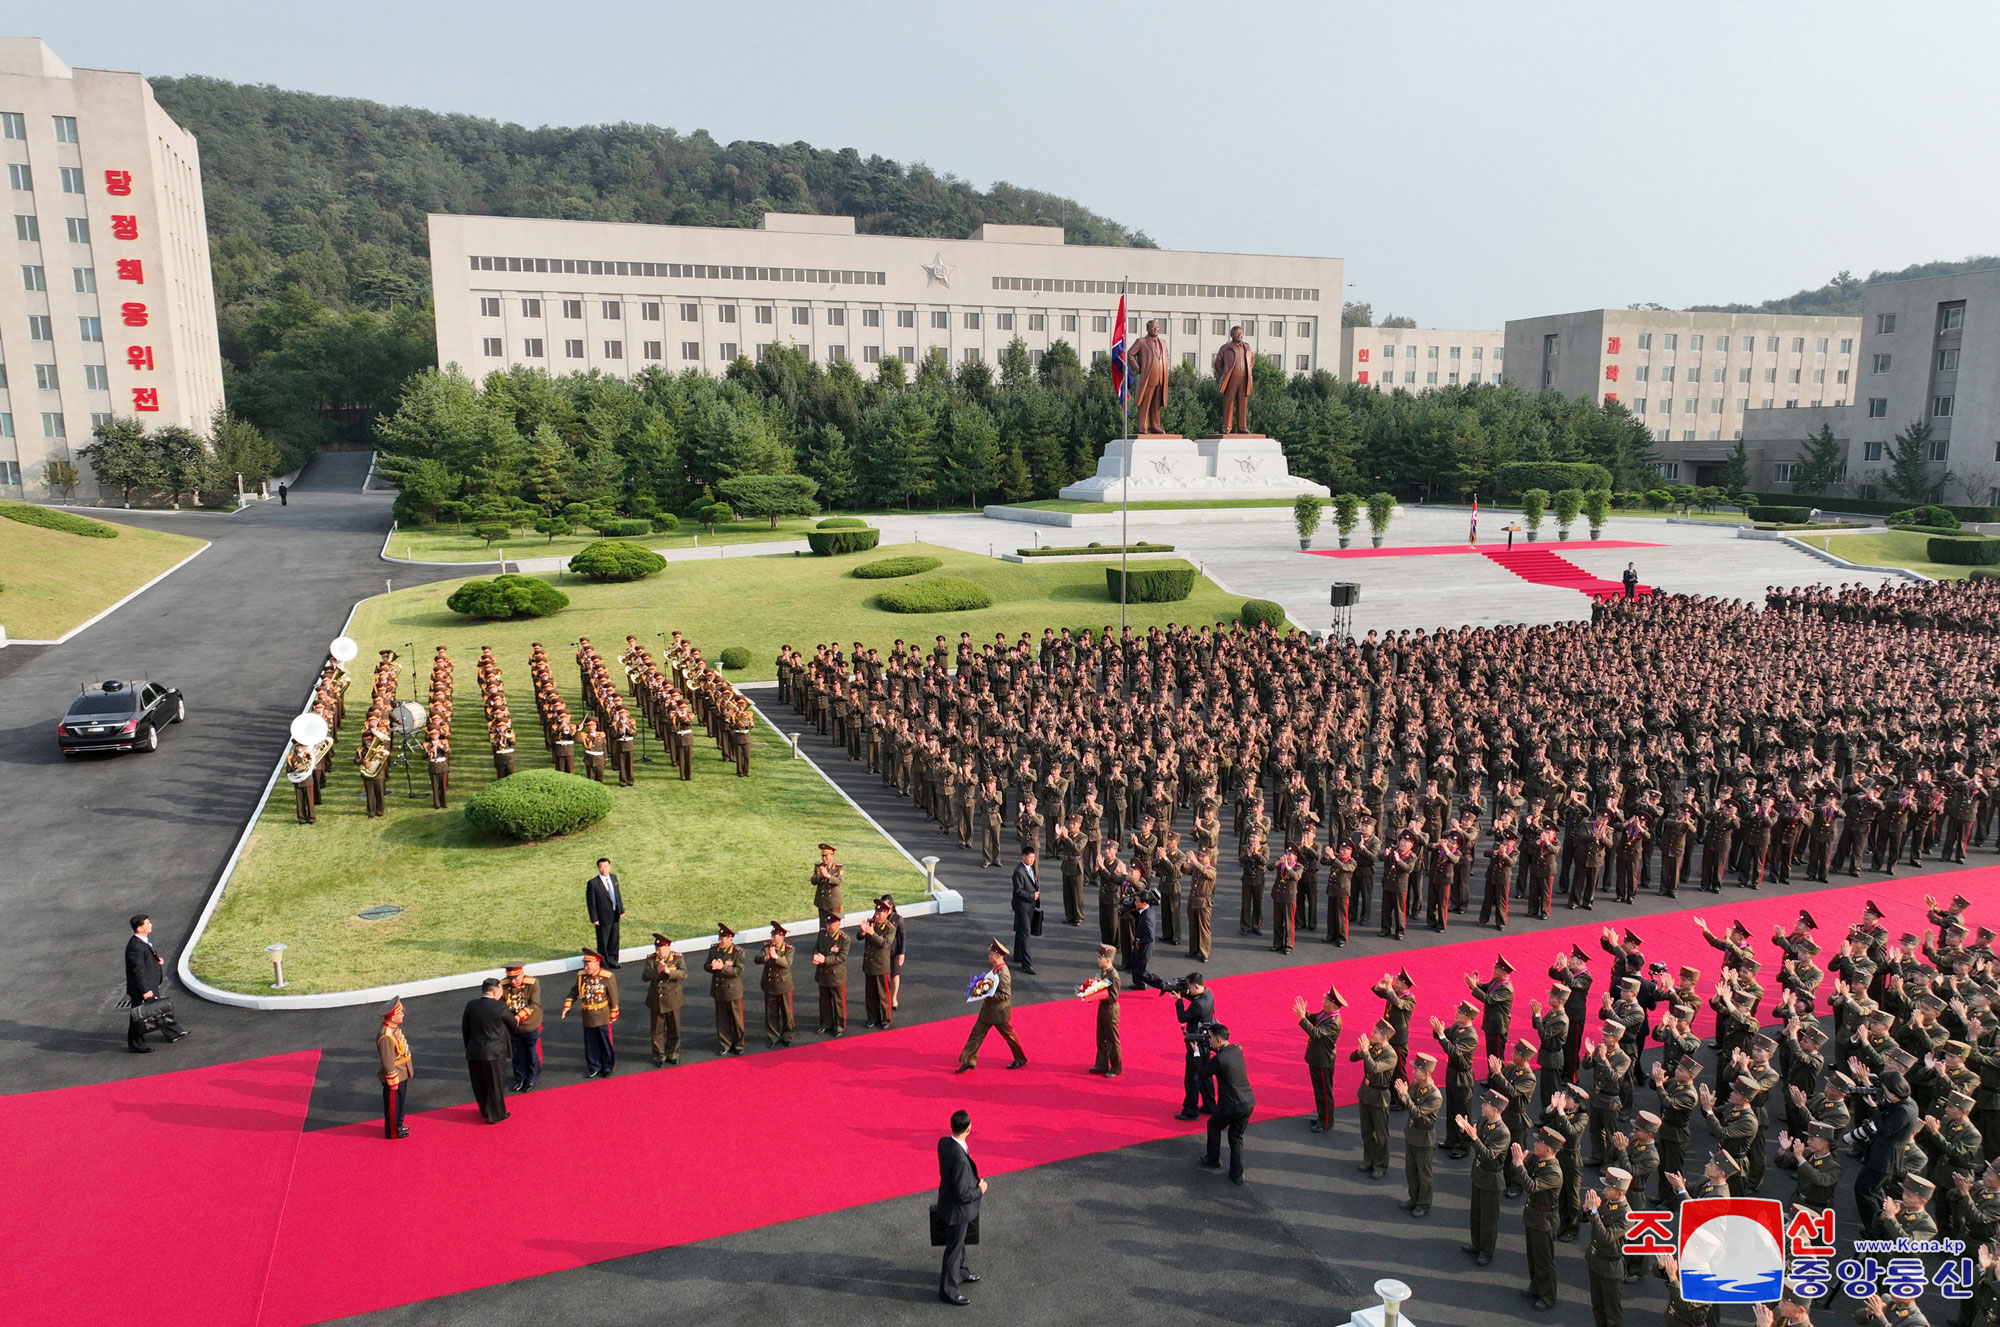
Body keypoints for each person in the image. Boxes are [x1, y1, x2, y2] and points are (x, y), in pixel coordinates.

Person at [936, 1108, 987, 1306]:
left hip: (948, 1203)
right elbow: (964, 1195)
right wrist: (981, 1189)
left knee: (960, 1242)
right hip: (957, 1211)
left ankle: (961, 1271)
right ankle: (947, 1290)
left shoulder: (944, 1143)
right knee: (954, 1248)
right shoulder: (960, 1161)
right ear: (969, 1128)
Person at [956, 939, 1027, 1073]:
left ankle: (1020, 1058)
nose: (989, 956)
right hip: (988, 1012)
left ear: (998, 956)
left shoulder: (1003, 973)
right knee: (976, 1035)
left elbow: (1005, 995)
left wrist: (986, 995)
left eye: (991, 954)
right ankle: (968, 1061)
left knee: (1010, 1037)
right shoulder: (996, 969)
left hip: (999, 1013)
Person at [1197, 1024, 1255, 1184]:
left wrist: (1196, 1052)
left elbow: (1203, 1072)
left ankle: (1213, 1159)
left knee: (1213, 1126)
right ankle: (1237, 1175)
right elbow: (1222, 1053)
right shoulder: (1237, 1049)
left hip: (1230, 1104)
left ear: (1217, 1039)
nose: (1208, 1041)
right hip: (1248, 1102)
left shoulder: (1220, 1060)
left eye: (1210, 1038)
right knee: (1236, 1137)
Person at [124, 914, 188, 1052]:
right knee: (138, 1016)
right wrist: (145, 990)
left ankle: (173, 1032)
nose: (151, 924)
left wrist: (157, 960)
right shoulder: (135, 947)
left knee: (158, 1008)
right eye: (147, 923)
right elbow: (138, 971)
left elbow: (147, 956)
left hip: (150, 984)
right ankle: (136, 1043)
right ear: (140, 928)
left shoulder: (143, 941)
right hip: (142, 987)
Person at [1396, 1051, 1444, 1217]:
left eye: (1417, 1069)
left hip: (1424, 1138)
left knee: (1424, 1174)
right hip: (1412, 1133)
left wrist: (1405, 1097)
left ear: (1426, 1073)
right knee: (1411, 1170)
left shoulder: (1434, 1096)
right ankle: (1414, 1198)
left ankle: (1423, 1203)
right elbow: (1408, 1106)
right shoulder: (1416, 1085)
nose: (1413, 1072)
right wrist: (1403, 1096)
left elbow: (1416, 1112)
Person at [560, 948, 619, 1078]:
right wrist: (567, 1005)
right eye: (585, 964)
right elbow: (574, 991)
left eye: (588, 964)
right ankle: (594, 1066)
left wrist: (614, 1012)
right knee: (591, 1043)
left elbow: (613, 996)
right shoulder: (582, 976)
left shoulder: (607, 977)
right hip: (587, 1014)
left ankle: (608, 1066)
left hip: (602, 1014)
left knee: (605, 1042)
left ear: (597, 964)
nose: (585, 967)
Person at [460, 978, 512, 1124]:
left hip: (474, 1051)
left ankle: (485, 1110)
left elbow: (465, 1028)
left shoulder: (471, 1005)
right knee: (495, 1084)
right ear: (495, 991)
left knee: (479, 1083)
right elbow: (512, 1024)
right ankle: (497, 1114)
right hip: (494, 1052)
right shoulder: (500, 1007)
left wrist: (469, 1047)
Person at [1295, 987, 1346, 1134]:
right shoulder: (1326, 1014)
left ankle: (1326, 1122)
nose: (1323, 1003)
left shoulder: (1334, 1022)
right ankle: (1321, 1116)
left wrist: (1302, 1018)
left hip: (1324, 1060)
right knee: (1318, 1091)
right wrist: (1305, 1013)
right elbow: (1314, 1018)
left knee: (1325, 1092)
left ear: (1333, 1005)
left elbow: (1316, 1033)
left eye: (1326, 1001)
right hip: (1317, 1058)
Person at [1173, 973, 1217, 1121]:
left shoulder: (1198, 1005)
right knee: (1205, 1077)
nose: (1188, 989)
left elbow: (1183, 1017)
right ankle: (1210, 1105)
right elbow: (1195, 997)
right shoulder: (1209, 994)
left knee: (1192, 1078)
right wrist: (1185, 994)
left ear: (1196, 986)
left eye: (1189, 986)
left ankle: (1190, 1110)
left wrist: (1179, 1001)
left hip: (1196, 1045)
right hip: (1205, 1043)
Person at [642, 934, 685, 1065]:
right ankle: (659, 1054)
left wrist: (668, 972)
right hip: (656, 999)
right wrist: (658, 971)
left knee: (674, 1028)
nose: (657, 951)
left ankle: (673, 1052)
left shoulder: (677, 958)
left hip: (672, 999)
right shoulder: (651, 960)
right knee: (657, 1030)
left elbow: (684, 973)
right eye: (656, 948)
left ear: (667, 947)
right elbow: (644, 976)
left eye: (659, 948)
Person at [500, 962, 543, 1090]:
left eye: (515, 978)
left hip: (530, 1023)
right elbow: (502, 1004)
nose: (513, 981)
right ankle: (520, 1078)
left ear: (522, 974)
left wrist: (518, 1017)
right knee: (517, 1054)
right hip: (513, 1026)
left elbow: (534, 1004)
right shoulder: (503, 985)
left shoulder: (532, 983)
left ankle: (532, 1077)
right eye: (510, 978)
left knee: (531, 1052)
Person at [706, 923, 747, 1055]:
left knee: (737, 1019)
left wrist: (722, 968)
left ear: (730, 939)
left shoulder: (738, 952)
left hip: (733, 991)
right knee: (721, 1019)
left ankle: (739, 1044)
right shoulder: (714, 950)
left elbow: (739, 970)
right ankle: (725, 1044)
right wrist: (712, 966)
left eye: (723, 939)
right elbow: (706, 965)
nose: (720, 941)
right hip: (719, 990)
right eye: (720, 937)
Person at [377, 995, 413, 1139]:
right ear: (392, 1017)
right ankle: (393, 1131)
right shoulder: (386, 1035)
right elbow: (387, 1058)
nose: (403, 1015)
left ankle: (398, 1124)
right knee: (393, 1105)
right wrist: (391, 1075)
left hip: (402, 1071)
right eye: (400, 1013)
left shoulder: (393, 1029)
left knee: (400, 1102)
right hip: (395, 1074)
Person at [756, 921, 795, 1048]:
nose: (772, 938)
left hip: (783, 986)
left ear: (782, 937)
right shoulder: (767, 947)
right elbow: (757, 959)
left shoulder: (789, 949)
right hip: (770, 984)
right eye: (772, 935)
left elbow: (787, 963)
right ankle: (773, 1036)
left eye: (774, 936)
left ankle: (787, 1035)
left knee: (786, 1012)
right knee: (771, 1012)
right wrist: (766, 958)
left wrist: (776, 957)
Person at [1213, 325, 1256, 435]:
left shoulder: (1247, 348)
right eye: (1237, 333)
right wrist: (1224, 374)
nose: (1239, 335)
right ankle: (1226, 427)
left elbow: (1252, 362)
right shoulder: (1225, 348)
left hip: (1244, 380)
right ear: (1232, 335)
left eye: (1241, 333)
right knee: (1229, 402)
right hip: (1231, 379)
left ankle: (1242, 427)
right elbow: (1218, 363)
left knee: (1243, 403)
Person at [1087, 944, 1122, 1077]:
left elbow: (1113, 997)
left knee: (1112, 1040)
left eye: (1100, 957)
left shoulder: (1114, 976)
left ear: (1108, 960)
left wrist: (1096, 993)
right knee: (1100, 1038)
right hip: (1103, 1008)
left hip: (1110, 1010)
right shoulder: (1105, 972)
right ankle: (1101, 1064)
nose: (1098, 960)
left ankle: (1116, 1067)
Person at [814, 912, 850, 1036]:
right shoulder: (822, 934)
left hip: (836, 975)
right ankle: (826, 1023)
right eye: (827, 923)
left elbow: (841, 958)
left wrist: (824, 960)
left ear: (838, 924)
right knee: (824, 1001)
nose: (828, 925)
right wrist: (816, 955)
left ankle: (840, 1026)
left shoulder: (844, 939)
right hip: (823, 973)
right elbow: (816, 947)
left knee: (838, 1001)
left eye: (831, 923)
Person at [861, 902, 897, 1029]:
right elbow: (859, 936)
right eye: (876, 912)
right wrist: (863, 930)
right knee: (870, 995)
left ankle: (886, 1019)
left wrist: (872, 933)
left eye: (880, 912)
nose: (876, 915)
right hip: (869, 964)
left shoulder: (890, 928)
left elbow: (885, 943)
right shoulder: (872, 923)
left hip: (881, 966)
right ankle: (873, 1017)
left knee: (883, 995)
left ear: (887, 913)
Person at [585, 858, 623, 968]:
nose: (604, 869)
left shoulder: (613, 878)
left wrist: (621, 910)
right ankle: (603, 962)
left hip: (615, 914)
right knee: (603, 941)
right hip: (602, 917)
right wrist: (594, 918)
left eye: (606, 866)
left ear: (610, 867)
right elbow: (591, 902)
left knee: (614, 939)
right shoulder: (593, 883)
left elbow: (617, 895)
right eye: (601, 867)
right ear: (598, 868)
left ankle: (613, 960)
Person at [1010, 848, 1040, 974]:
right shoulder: (1019, 872)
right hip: (1022, 906)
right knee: (1026, 934)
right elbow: (1018, 891)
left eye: (1033, 858)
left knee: (1020, 930)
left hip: (1029, 906)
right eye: (1029, 858)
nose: (1032, 860)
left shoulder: (1029, 868)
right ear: (1023, 857)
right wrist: (1031, 896)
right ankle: (1026, 964)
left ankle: (1018, 955)